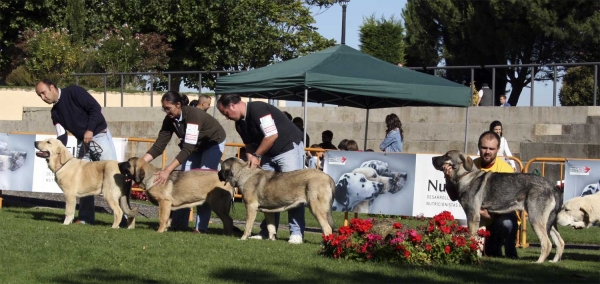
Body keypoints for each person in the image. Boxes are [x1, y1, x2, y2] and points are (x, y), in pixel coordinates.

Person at [217, 93, 306, 244]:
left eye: (226, 113)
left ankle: (296, 233)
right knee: (266, 193)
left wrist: (257, 155)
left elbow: (271, 135)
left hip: (287, 148)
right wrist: (250, 158)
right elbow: (250, 145)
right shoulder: (239, 124)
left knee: (293, 190)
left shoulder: (258, 109)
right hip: (268, 154)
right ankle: (267, 232)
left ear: (232, 106)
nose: (227, 117)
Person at [35, 79, 118, 225]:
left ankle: (124, 218)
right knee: (82, 180)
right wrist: (53, 151)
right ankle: (86, 217)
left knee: (115, 178)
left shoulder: (73, 92)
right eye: (39, 96)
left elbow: (95, 108)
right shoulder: (55, 112)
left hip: (99, 135)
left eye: (43, 93)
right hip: (83, 142)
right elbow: (61, 137)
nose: (43, 98)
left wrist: (90, 129)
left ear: (52, 87)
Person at [143, 91, 227, 233]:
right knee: (183, 182)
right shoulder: (169, 119)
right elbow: (159, 145)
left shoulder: (192, 115)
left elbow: (187, 148)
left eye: (168, 108)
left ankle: (201, 228)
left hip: (212, 143)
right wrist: (140, 163)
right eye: (164, 108)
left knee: (203, 184)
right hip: (195, 146)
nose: (166, 111)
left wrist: (167, 171)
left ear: (178, 105)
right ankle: (179, 225)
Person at [443, 131, 518, 259]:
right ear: (478, 147)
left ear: (498, 149)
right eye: (484, 148)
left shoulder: (506, 170)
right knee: (489, 252)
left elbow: (511, 202)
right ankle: (481, 249)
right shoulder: (469, 166)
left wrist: (490, 214)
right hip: (478, 223)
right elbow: (454, 197)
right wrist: (447, 177)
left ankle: (511, 252)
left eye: (491, 149)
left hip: (499, 219)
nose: (487, 151)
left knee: (507, 223)